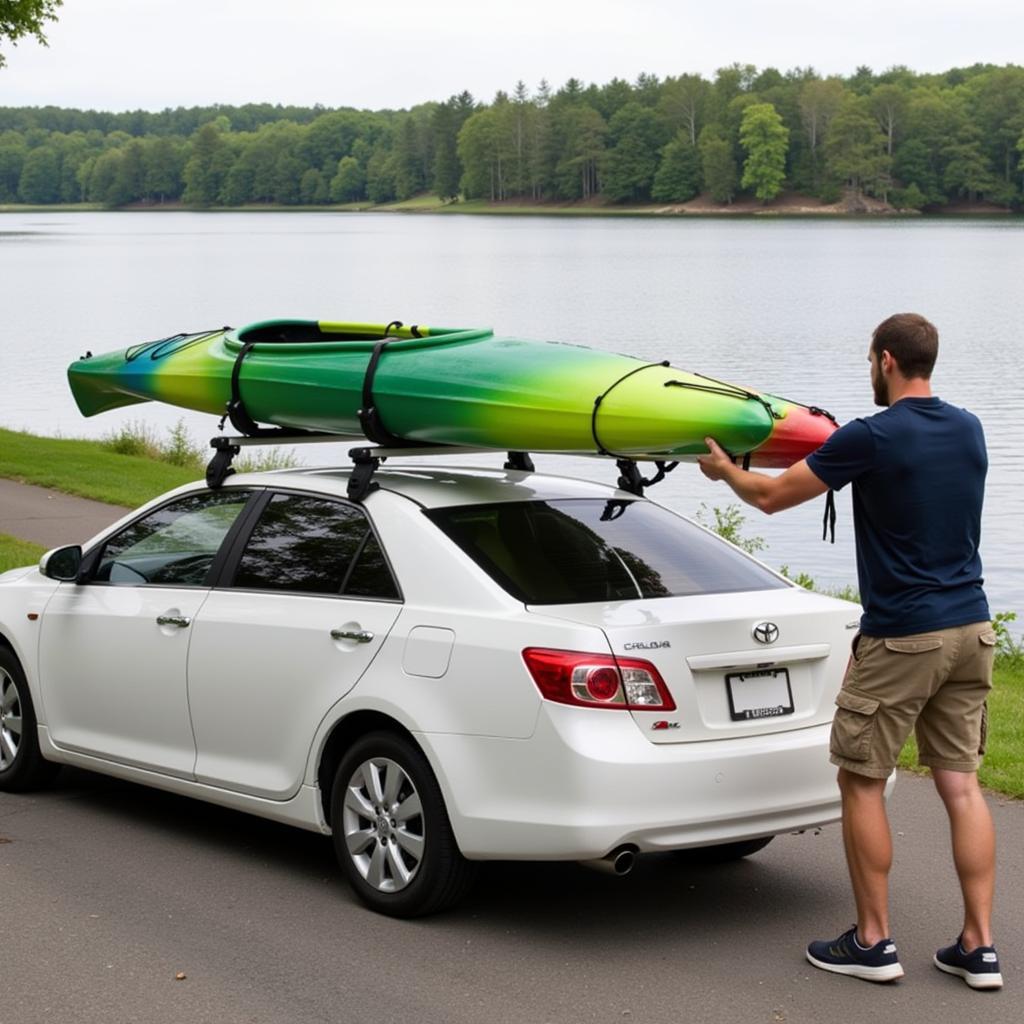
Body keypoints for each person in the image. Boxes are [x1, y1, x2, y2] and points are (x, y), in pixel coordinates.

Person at [697, 313, 1001, 989]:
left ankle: (873, 941)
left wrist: (724, 472)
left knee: (861, 780)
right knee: (961, 783)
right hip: (973, 629)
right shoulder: (970, 428)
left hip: (905, 635)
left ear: (886, 360)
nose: (870, 369)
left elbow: (774, 496)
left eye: (870, 359)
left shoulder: (872, 436)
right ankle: (980, 948)